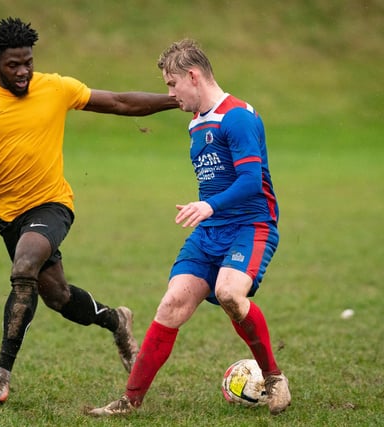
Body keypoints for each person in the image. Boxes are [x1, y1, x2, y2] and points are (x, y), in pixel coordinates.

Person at [0, 17, 178, 404]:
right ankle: (117, 321)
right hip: (8, 214)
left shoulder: (55, 87)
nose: (23, 71)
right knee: (58, 297)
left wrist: (175, 100)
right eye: (13, 64)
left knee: (24, 267)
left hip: (52, 205)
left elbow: (118, 101)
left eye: (28, 62)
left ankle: (1, 374)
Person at [87, 39, 291, 417]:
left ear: (192, 76)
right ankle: (129, 402)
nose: (169, 93)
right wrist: (208, 210)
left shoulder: (239, 117)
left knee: (230, 294)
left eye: (171, 84)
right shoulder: (197, 123)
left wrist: (208, 204)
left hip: (250, 226)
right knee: (171, 304)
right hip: (209, 230)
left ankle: (275, 379)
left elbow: (250, 180)